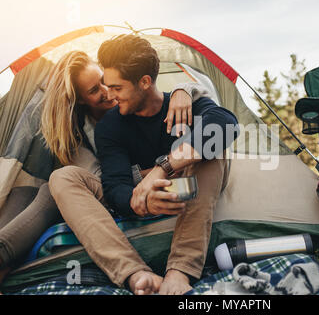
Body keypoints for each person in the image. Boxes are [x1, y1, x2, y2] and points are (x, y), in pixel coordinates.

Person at [0, 50, 207, 291]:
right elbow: (106, 182)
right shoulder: (82, 135)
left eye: (103, 81)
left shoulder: (142, 101)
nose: (107, 92)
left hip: (162, 178)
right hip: (114, 191)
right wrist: (153, 174)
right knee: (49, 188)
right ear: (81, 100)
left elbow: (216, 118)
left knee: (207, 154)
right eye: (94, 90)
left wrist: (185, 89)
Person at [49, 34, 239, 295]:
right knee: (62, 177)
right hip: (143, 194)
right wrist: (139, 201)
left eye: (117, 88)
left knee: (210, 151)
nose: (110, 96)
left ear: (145, 82)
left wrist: (163, 168)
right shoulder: (110, 126)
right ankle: (136, 274)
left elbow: (226, 124)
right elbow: (116, 185)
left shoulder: (181, 104)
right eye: (106, 87)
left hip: (185, 186)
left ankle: (180, 271)